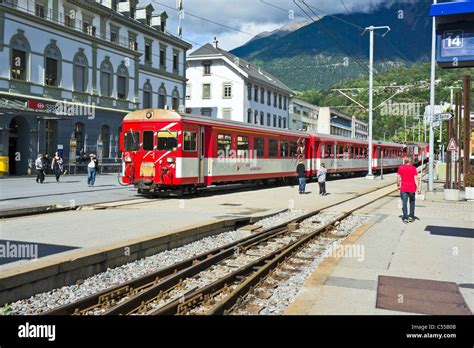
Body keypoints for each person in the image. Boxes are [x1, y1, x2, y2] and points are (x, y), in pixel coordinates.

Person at [397, 157, 419, 223]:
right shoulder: (413, 168)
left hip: (403, 188)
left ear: (405, 161)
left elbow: (398, 178)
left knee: (404, 203)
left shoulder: (400, 168)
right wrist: (418, 187)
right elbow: (415, 178)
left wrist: (398, 185)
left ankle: (405, 217)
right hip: (412, 188)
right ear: (410, 161)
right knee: (412, 202)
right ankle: (411, 217)